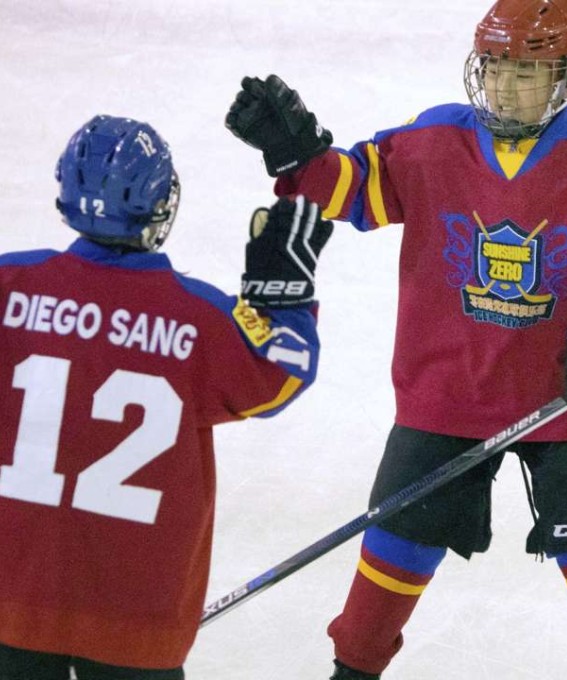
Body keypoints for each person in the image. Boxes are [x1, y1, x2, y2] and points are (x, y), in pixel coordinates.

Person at [224, 0, 567, 677]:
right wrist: (301, 154)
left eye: (526, 71)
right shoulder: (435, 139)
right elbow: (359, 189)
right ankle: (352, 668)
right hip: (448, 392)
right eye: (495, 67)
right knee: (394, 543)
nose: (504, 85)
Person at [0, 115, 332, 679]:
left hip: (11, 600)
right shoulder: (198, 317)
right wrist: (286, 301)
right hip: (137, 622)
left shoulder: (9, 286)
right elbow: (285, 373)